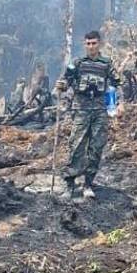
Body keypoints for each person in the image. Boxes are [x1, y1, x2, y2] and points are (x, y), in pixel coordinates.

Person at [55, 30, 119, 200]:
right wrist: (61, 85)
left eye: (94, 43)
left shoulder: (107, 64)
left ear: (100, 44)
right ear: (85, 44)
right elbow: (66, 80)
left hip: (99, 110)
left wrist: (114, 105)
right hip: (81, 109)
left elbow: (115, 83)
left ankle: (88, 184)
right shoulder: (77, 63)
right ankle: (70, 184)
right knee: (76, 146)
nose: (91, 47)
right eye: (88, 43)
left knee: (96, 148)